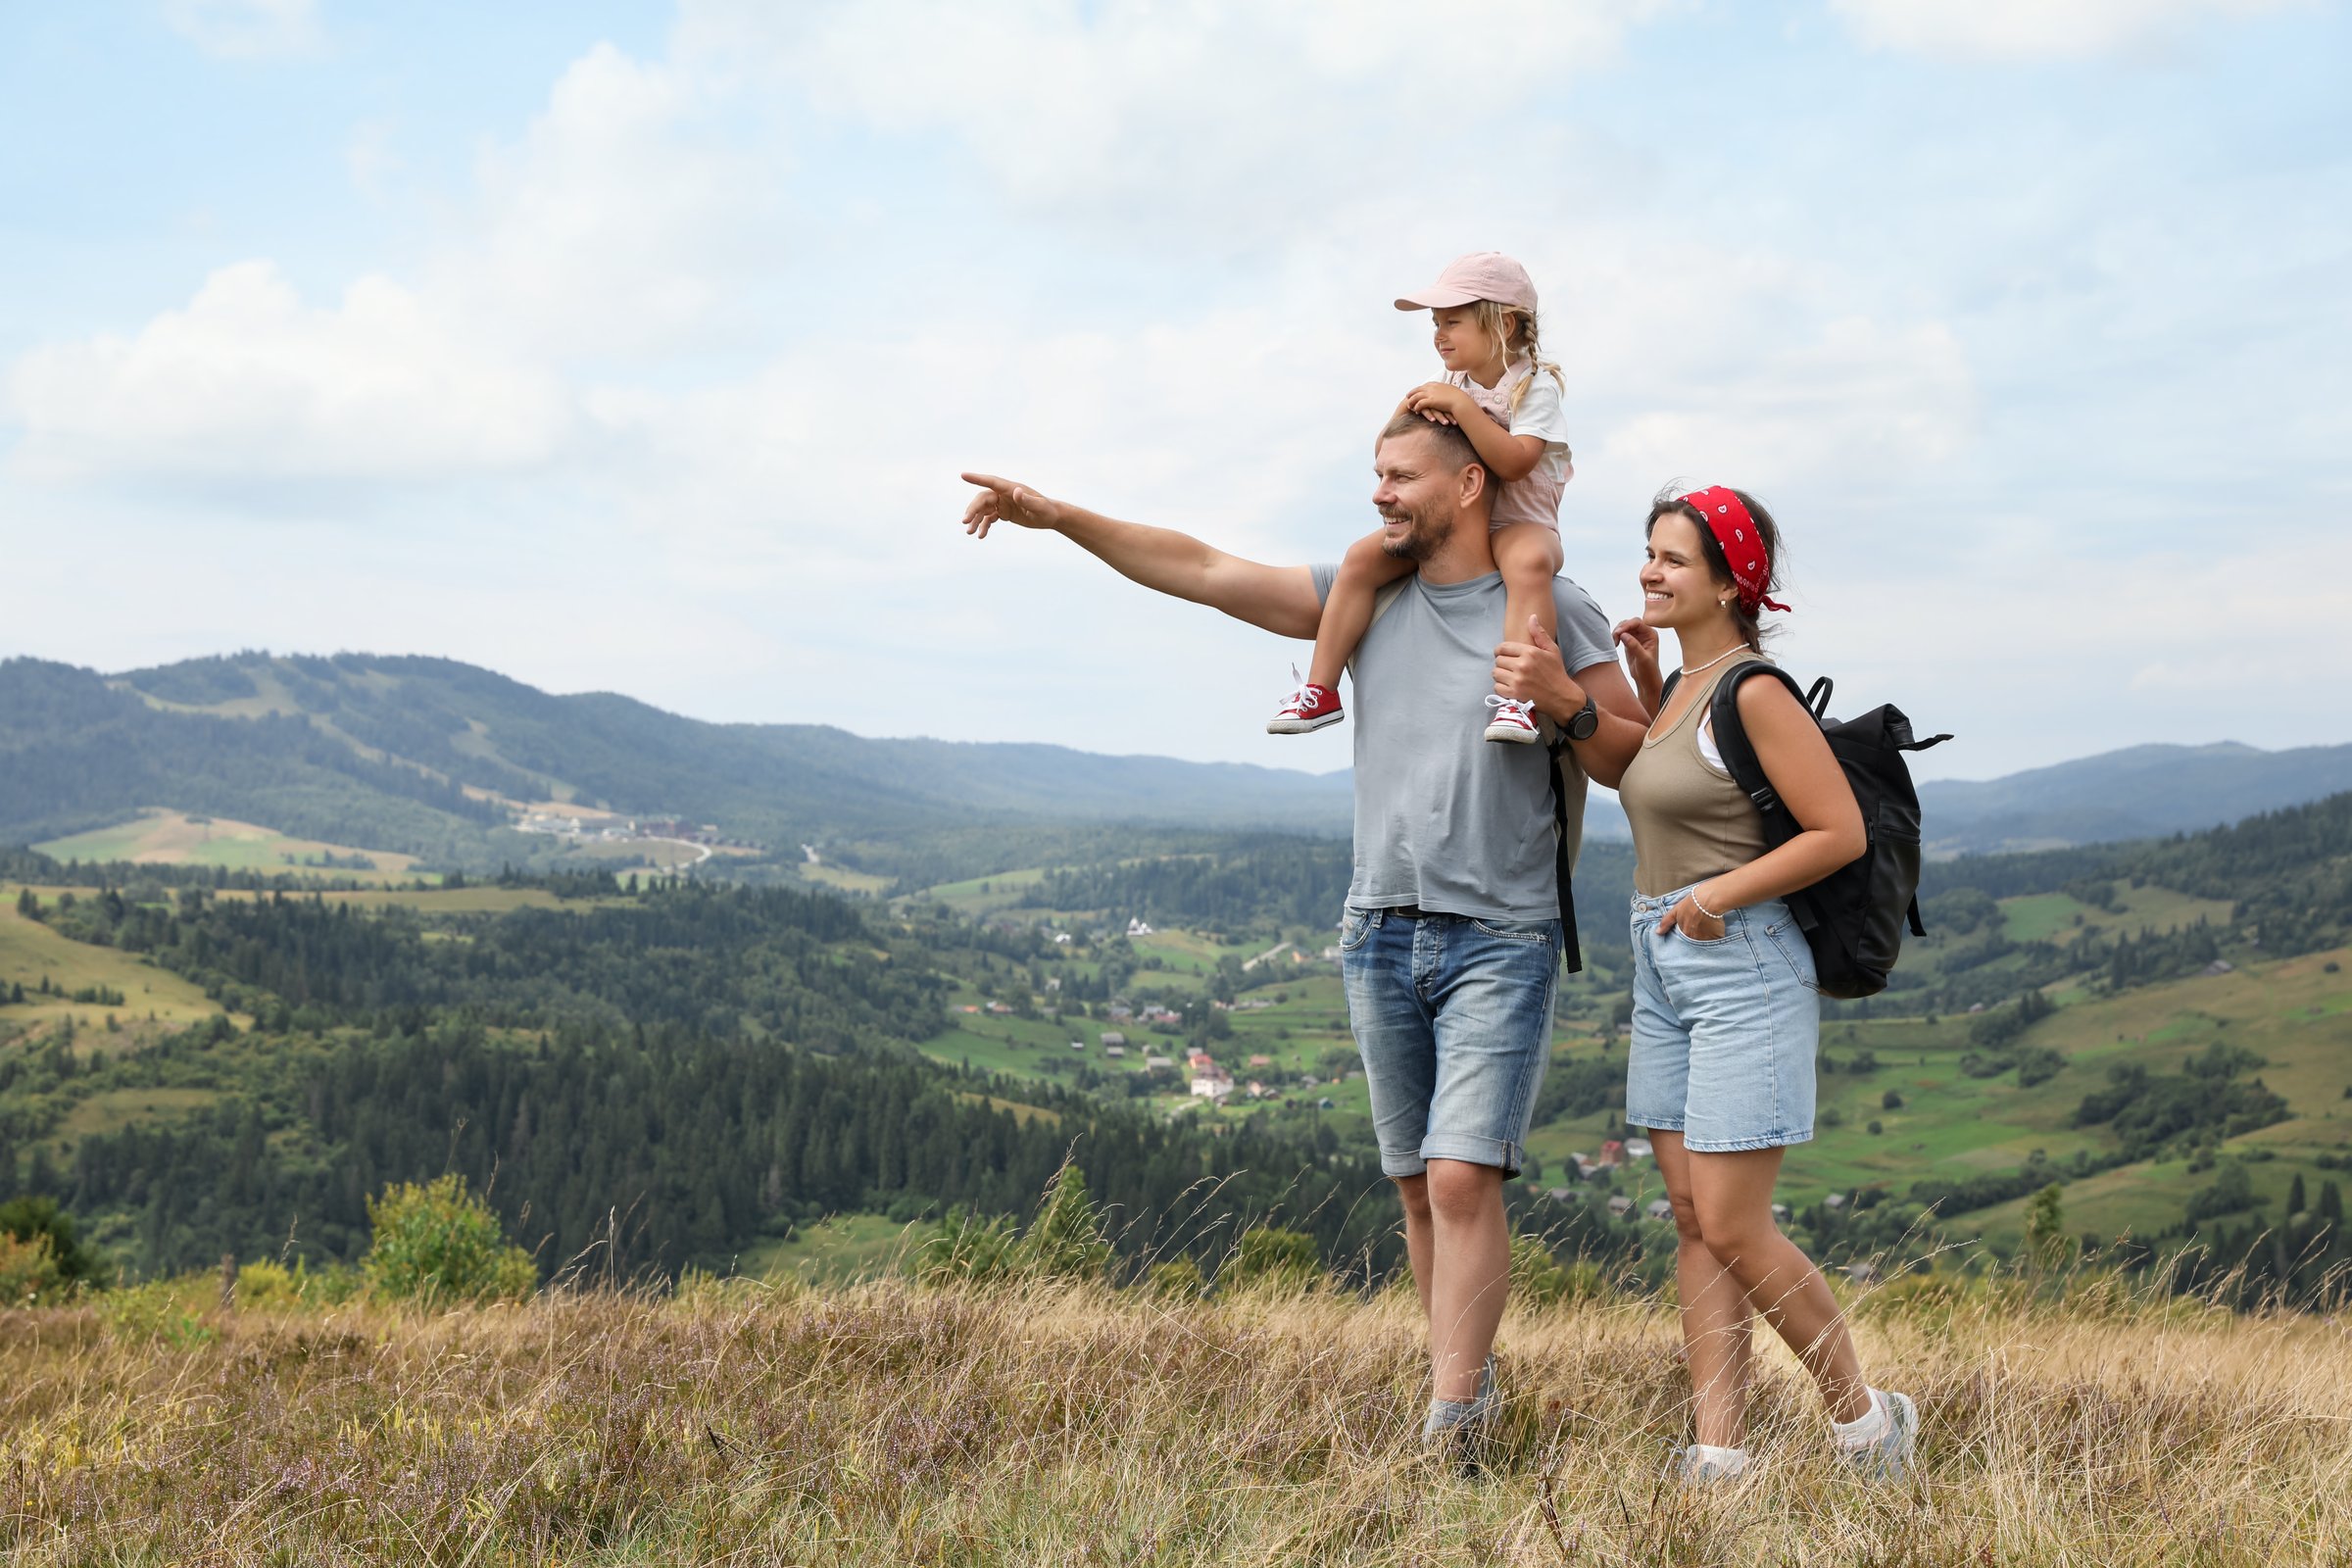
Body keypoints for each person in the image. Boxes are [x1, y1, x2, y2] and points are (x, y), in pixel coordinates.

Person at [959, 412, 1642, 1461]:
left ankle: (1451, 1425)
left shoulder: (1558, 606)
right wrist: (1060, 519)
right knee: (1418, 1184)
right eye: (1375, 474)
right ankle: (1464, 1383)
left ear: (1468, 484)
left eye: (1400, 477)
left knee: (1463, 1177)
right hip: (1377, 926)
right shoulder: (1367, 594)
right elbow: (1203, 569)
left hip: (1500, 931)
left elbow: (1629, 756)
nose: (1380, 494)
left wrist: (1565, 705)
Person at [1493, 480, 1918, 1486]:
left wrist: (1715, 893)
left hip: (1740, 966)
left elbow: (1837, 833)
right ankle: (1719, 1452)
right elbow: (1643, 775)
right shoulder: (1682, 685)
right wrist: (1611, 697)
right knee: (1691, 1219)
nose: (1650, 569)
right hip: (1666, 961)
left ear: (1733, 580)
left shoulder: (1752, 692)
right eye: (1649, 551)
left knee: (1732, 1220)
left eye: (1674, 557)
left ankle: (1866, 1420)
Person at [1267, 252, 1573, 746]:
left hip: (1520, 521)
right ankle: (1321, 689)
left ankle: (1519, 698)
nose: (1438, 334)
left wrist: (1462, 409)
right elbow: (1388, 446)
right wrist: (1409, 406)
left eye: (1453, 321)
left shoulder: (1533, 388)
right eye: (1435, 323)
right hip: (1454, 525)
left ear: (1506, 324)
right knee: (1360, 559)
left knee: (1531, 564)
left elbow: (1516, 462)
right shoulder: (1448, 385)